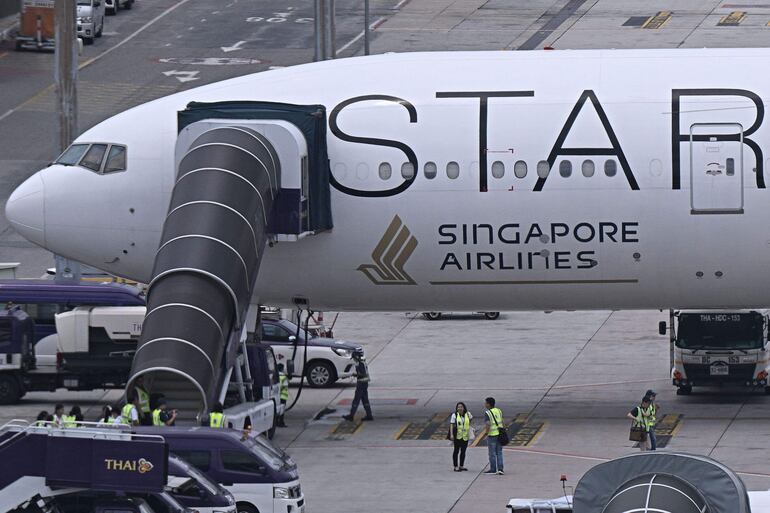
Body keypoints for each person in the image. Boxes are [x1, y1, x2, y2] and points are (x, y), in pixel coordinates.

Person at [343, 349, 373, 422]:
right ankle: (369, 415)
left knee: (356, 400)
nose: (353, 359)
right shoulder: (363, 362)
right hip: (365, 383)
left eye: (354, 358)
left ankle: (351, 416)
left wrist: (355, 374)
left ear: (356, 357)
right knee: (365, 399)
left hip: (361, 383)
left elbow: (362, 374)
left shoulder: (360, 364)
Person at [483, 397, 504, 475]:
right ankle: (500, 469)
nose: (485, 404)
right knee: (499, 452)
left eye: (486, 403)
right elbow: (502, 421)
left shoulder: (487, 413)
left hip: (492, 435)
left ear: (488, 404)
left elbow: (488, 424)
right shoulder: (499, 411)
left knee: (492, 453)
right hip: (500, 434)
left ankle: (493, 469)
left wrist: (486, 433)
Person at [450, 402, 472, 472]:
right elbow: (451, 425)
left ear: (464, 408)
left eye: (461, 407)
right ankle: (455, 466)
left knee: (463, 451)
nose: (460, 408)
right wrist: (451, 434)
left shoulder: (468, 414)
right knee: (456, 451)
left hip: (465, 436)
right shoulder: (454, 415)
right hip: (457, 436)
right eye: (458, 407)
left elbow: (470, 420)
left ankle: (461, 466)